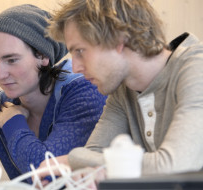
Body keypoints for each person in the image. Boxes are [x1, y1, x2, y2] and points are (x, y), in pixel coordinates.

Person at [38, 0, 203, 183]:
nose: (75, 67)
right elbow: (93, 156)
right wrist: (86, 171)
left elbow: (173, 166)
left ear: (119, 39)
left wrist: (73, 159)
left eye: (80, 51)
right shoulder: (123, 90)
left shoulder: (197, 68)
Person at [0, 4, 107, 185]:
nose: (0, 74)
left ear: (43, 56)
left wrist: (13, 123)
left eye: (11, 60)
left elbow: (47, 175)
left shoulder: (84, 92)